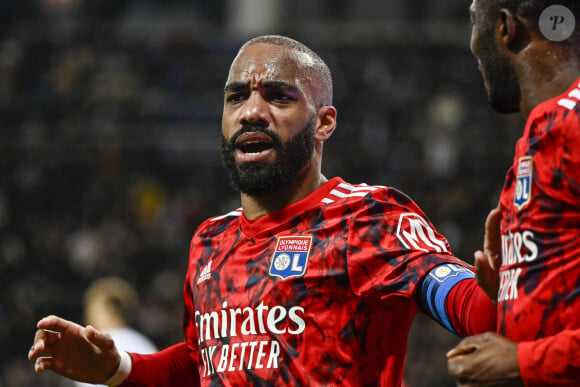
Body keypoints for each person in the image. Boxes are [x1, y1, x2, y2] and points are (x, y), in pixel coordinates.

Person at [28, 35, 497, 387]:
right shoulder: (210, 241)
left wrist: (501, 291)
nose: (252, 111)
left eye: (278, 96)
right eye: (237, 97)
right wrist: (117, 368)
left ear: (324, 123)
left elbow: (468, 304)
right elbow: (202, 362)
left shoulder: (369, 218)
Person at [446, 0, 580, 385]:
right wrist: (513, 294)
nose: (472, 45)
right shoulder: (537, 139)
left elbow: (526, 360)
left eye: (474, 22)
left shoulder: (573, 121)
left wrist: (523, 360)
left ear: (506, 28)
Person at [74, 277, 158, 387]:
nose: (87, 317)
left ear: (107, 311)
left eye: (92, 310)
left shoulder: (97, 346)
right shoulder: (143, 344)